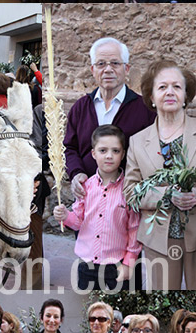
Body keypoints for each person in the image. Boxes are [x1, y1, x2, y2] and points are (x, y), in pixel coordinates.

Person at [124, 57, 196, 289]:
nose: (170, 92)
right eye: (162, 87)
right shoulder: (137, 141)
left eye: (177, 86)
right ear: (152, 97)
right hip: (158, 238)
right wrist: (164, 196)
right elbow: (130, 192)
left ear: (186, 95)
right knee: (163, 297)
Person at [54, 124, 141, 291]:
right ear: (93, 153)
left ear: (123, 154)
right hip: (87, 265)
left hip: (116, 265)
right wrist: (66, 216)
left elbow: (134, 228)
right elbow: (79, 222)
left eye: (115, 151)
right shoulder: (85, 187)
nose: (109, 156)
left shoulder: (129, 190)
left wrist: (129, 262)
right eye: (103, 150)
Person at [64, 37, 154, 198]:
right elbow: (70, 147)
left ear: (126, 68)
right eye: (101, 64)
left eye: (115, 63)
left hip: (127, 201)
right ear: (93, 70)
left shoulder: (145, 109)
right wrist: (76, 173)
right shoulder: (80, 107)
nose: (108, 69)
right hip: (87, 198)